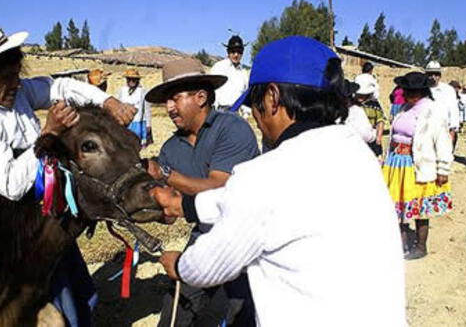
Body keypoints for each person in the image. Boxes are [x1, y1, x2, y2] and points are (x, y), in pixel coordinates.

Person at [152, 36, 406, 327]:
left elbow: (208, 266)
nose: (257, 118)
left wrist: (179, 266)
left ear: (272, 96)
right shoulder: (357, 154)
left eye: (255, 104)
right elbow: (247, 201)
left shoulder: (265, 174)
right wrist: (183, 206)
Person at [0, 20, 136, 326]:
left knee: (79, 291)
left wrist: (107, 100)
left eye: (18, 76)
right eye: (8, 78)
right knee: (53, 309)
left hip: (50, 221)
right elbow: (10, 183)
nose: (17, 84)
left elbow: (58, 86)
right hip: (13, 241)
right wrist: (47, 134)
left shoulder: (12, 93)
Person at [144, 57, 259, 326]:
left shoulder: (232, 129)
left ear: (200, 96)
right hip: (204, 235)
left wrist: (164, 174)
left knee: (242, 313)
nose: (169, 107)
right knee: (177, 310)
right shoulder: (170, 150)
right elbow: (170, 210)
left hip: (247, 239)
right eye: (166, 101)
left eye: (175, 98)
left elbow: (220, 188)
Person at [383, 72, 454, 260]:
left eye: (410, 91)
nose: (406, 93)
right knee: (397, 206)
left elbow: (443, 141)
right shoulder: (404, 108)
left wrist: (443, 168)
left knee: (419, 207)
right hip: (396, 163)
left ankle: (421, 247)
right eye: (406, 90)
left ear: (421, 91)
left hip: (417, 164)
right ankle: (401, 243)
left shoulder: (433, 110)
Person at [425, 61, 460, 148]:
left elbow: (454, 110)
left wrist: (453, 130)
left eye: (436, 74)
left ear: (440, 75)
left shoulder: (448, 90)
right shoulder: (421, 89)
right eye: (430, 74)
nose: (433, 77)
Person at [211, 34, 249, 115]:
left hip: (237, 113)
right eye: (233, 51)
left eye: (239, 51)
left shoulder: (244, 73)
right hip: (220, 112)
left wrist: (246, 113)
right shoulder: (218, 67)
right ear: (228, 51)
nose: (236, 54)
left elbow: (246, 94)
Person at [118, 69, 152, 147]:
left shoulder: (142, 91)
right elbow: (119, 106)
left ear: (137, 80)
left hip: (138, 122)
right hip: (126, 122)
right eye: (129, 79)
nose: (131, 81)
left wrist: (148, 124)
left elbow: (147, 109)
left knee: (137, 144)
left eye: (134, 79)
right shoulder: (122, 91)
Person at [354, 73, 385, 157]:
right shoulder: (350, 104)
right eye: (359, 94)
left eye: (362, 95)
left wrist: (378, 140)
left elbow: (380, 121)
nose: (360, 97)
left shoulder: (375, 105)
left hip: (370, 142)